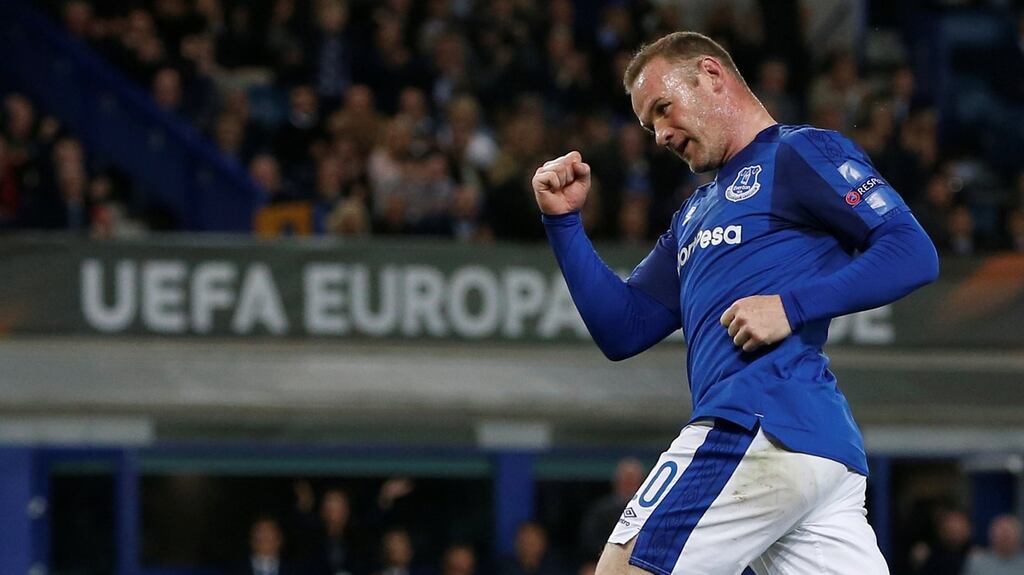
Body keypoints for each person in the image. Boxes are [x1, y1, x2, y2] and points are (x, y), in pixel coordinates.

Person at [531, 32, 939, 575]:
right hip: (812, 456)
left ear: (712, 74)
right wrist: (562, 222)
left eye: (663, 109)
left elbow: (912, 251)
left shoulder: (798, 152)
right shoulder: (694, 214)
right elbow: (623, 328)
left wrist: (790, 306)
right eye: (648, 125)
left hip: (756, 425)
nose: (659, 135)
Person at [578, 458, 647, 562]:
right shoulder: (602, 509)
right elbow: (590, 540)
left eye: (632, 480)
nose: (628, 484)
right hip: (605, 559)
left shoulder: (649, 512)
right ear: (616, 481)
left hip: (638, 561)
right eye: (625, 480)